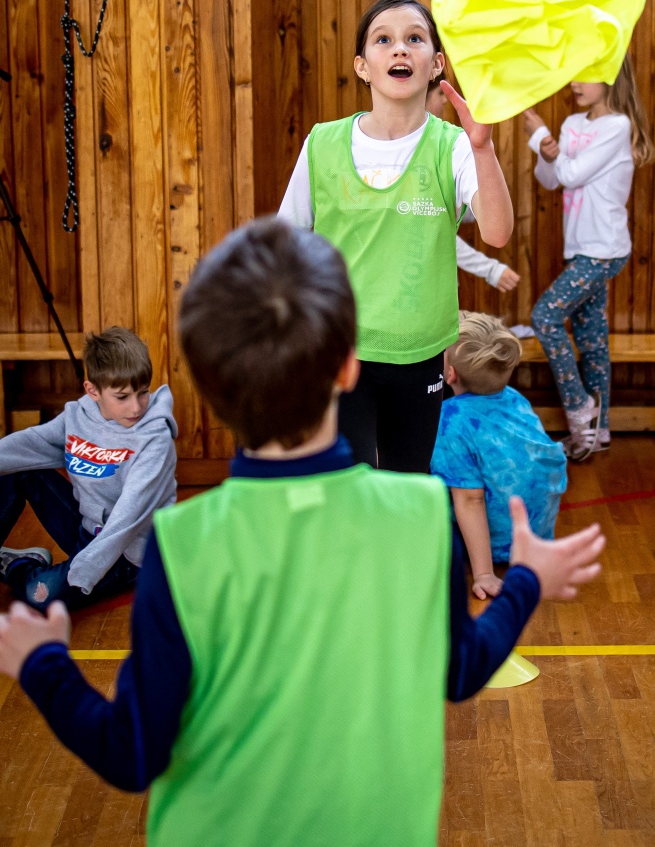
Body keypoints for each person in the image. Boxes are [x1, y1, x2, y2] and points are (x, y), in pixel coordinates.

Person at [0, 220, 606, 847]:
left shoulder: (181, 546)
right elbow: (462, 669)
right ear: (348, 368)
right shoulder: (424, 516)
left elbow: (131, 752)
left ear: (209, 389)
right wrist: (526, 580)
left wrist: (43, 665)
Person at [279, 0, 514, 473]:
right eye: (383, 40)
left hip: (419, 353)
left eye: (415, 39)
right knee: (351, 486)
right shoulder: (323, 143)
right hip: (341, 352)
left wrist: (483, 148)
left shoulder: (455, 146)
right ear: (363, 66)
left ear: (436, 64)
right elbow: (284, 246)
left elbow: (497, 233)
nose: (400, 48)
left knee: (407, 484)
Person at [522, 57, 654, 461]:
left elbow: (572, 174)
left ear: (611, 77)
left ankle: (580, 406)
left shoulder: (617, 126)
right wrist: (546, 150)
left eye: (586, 74)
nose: (575, 82)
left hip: (603, 249)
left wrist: (541, 134)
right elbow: (551, 178)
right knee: (591, 337)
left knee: (545, 317)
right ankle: (599, 433)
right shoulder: (573, 124)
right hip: (581, 248)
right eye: (574, 74)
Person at [0, 327, 176, 611]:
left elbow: (128, 516)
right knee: (17, 466)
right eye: (122, 397)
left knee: (39, 594)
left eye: (143, 392)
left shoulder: (155, 439)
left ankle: (18, 564)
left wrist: (81, 571)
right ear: (93, 390)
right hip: (86, 528)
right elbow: (32, 444)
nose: (136, 407)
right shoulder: (80, 415)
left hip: (128, 555)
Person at [431, 312, 568, 600]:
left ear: (450, 374)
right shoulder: (515, 398)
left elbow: (470, 499)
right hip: (534, 537)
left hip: (499, 545)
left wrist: (483, 573)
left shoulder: (451, 418)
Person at [425, 84, 520, 293]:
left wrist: (483, 150)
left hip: (436, 294)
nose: (444, 100)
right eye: (440, 93)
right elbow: (431, 231)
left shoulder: (455, 144)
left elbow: (455, 216)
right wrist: (490, 270)